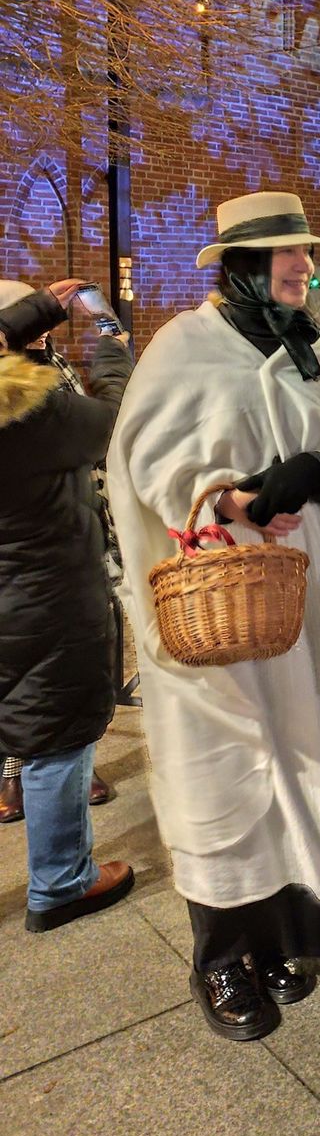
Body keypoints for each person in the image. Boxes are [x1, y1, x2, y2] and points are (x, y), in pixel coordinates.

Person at [107, 193, 320, 1042]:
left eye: (303, 254)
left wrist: (316, 476)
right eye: (283, 256)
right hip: (212, 585)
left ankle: (285, 935)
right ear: (241, 266)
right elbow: (145, 453)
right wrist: (229, 496)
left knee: (297, 752)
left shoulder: (316, 350)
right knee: (222, 767)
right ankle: (220, 958)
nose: (301, 267)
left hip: (293, 587)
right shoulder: (185, 344)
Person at [0, 279, 134, 930]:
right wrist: (111, 345)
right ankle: (61, 883)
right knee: (57, 737)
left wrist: (40, 312)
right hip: (42, 591)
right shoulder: (23, 403)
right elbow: (112, 421)